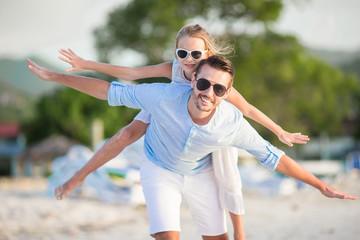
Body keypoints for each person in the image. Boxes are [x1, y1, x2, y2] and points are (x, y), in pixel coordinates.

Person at [27, 55, 357, 240]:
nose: (208, 93)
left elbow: (275, 159)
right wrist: (57, 77)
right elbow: (107, 89)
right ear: (192, 80)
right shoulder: (161, 96)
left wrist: (320, 186)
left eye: (217, 88)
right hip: (159, 169)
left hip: (200, 175)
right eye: (202, 83)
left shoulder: (231, 123)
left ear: (226, 94)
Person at [54, 24, 309, 239]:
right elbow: (132, 73)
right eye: (182, 52)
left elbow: (249, 110)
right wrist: (86, 63)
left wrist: (279, 131)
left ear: (206, 53)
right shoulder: (174, 69)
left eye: (195, 53)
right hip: (168, 107)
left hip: (205, 118)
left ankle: (239, 232)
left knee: (227, 171)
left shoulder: (214, 79)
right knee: (124, 135)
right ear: (175, 53)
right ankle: (80, 175)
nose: (188, 58)